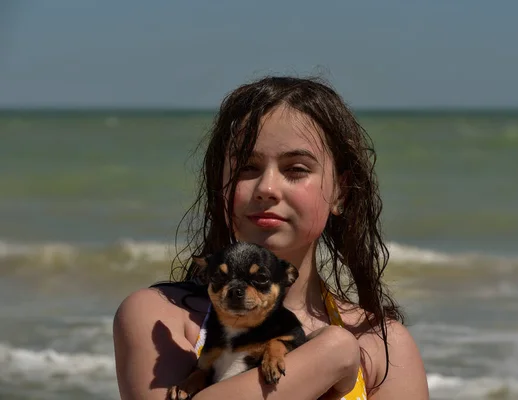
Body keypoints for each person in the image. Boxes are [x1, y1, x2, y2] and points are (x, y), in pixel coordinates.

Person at [113, 76, 429, 400]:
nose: (266, 188)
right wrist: (329, 356)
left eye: (296, 169)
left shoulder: (382, 345)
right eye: (247, 167)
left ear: (341, 193)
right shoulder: (163, 317)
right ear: (219, 184)